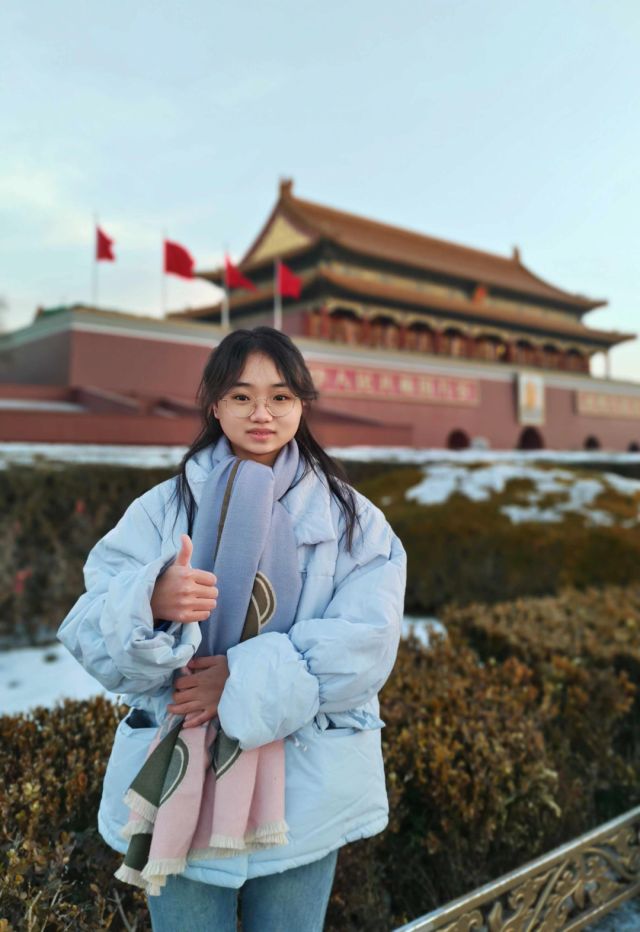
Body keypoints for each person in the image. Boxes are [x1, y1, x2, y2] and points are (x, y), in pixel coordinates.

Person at [57, 326, 407, 932]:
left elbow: (366, 644)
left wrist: (238, 681)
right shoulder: (162, 510)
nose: (262, 414)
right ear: (215, 405)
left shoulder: (353, 521)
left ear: (301, 404)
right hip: (181, 777)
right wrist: (151, 599)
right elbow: (87, 627)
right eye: (242, 396)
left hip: (301, 780)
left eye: (280, 397)